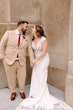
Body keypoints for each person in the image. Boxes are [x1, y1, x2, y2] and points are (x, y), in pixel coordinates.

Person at [16, 25, 73, 110]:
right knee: (36, 76)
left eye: (33, 28)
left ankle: (42, 94)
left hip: (43, 60)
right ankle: (36, 93)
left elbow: (44, 51)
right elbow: (32, 51)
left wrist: (36, 60)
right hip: (36, 60)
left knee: (42, 76)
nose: (32, 29)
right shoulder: (33, 39)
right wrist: (33, 61)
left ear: (37, 31)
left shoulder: (43, 39)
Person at [0, 21, 34, 100]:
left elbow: (29, 49)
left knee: (22, 77)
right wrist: (2, 58)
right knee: (11, 78)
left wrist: (32, 59)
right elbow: (1, 45)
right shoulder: (8, 33)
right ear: (20, 26)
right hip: (9, 61)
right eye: (26, 27)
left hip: (21, 62)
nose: (27, 28)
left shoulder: (27, 37)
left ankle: (22, 91)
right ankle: (13, 91)